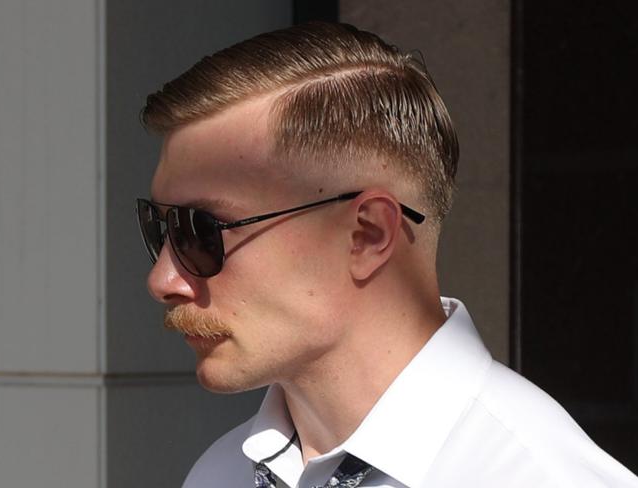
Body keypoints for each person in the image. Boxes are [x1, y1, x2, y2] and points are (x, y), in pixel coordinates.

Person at [136, 21, 638, 488]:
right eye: (162, 228)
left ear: (368, 235)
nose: (163, 279)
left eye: (201, 231)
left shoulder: (540, 475)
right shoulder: (221, 473)